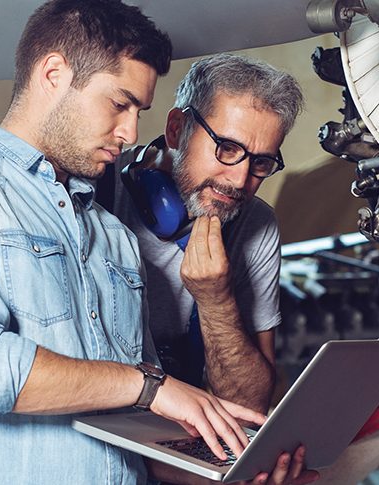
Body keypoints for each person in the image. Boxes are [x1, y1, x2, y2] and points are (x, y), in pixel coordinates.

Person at [0, 2, 290, 484]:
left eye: (137, 112)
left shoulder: (114, 236)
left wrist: (228, 476)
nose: (129, 133)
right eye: (119, 103)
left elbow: (128, 428)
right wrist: (151, 387)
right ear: (53, 73)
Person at [102, 53, 315, 484]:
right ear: (177, 129)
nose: (239, 181)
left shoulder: (255, 224)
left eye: (260, 163)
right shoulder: (99, 194)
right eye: (228, 148)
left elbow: (252, 404)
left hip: (190, 447)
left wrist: (215, 299)